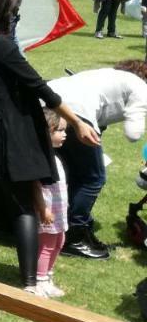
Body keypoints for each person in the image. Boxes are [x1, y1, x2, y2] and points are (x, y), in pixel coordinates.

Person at [0, 0, 98, 291]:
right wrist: (77, 123)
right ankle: (30, 283)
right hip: (1, 137)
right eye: (12, 12)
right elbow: (38, 86)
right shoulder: (1, 46)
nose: (14, 17)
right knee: (22, 206)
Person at [47, 61, 147, 259]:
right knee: (93, 178)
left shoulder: (106, 75)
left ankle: (65, 226)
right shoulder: (139, 88)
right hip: (75, 111)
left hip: (48, 102)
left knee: (69, 171)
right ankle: (74, 237)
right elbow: (132, 131)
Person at [34, 109, 69, 298]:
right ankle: (40, 281)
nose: (64, 134)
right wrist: (43, 208)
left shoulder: (54, 157)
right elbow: (36, 187)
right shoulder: (42, 159)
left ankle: (48, 276)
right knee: (47, 245)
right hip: (48, 210)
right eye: (60, 130)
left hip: (59, 210)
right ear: (46, 132)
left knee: (59, 242)